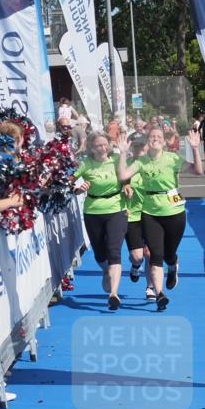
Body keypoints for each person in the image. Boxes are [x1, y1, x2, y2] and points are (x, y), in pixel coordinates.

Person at [116, 126, 203, 311]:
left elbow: (198, 171)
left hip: (174, 210)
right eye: (152, 136)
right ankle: (159, 294)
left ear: (164, 142)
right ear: (148, 141)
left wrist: (196, 149)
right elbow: (123, 175)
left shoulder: (173, 159)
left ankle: (172, 267)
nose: (155, 138)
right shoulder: (141, 162)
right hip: (150, 213)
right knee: (155, 254)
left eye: (159, 136)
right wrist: (123, 153)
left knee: (169, 254)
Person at [73, 132, 129, 310]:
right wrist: (78, 188)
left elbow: (126, 176)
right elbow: (69, 182)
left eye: (105, 144)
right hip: (93, 210)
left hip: (116, 209)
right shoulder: (86, 163)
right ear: (91, 147)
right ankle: (105, 270)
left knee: (115, 251)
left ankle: (113, 293)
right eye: (98, 145)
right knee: (99, 252)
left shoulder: (116, 159)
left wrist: (127, 185)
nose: (103, 148)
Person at [123, 135, 150, 291]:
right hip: (132, 216)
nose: (140, 152)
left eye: (143, 149)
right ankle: (135, 266)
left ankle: (151, 287)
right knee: (137, 256)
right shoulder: (124, 167)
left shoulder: (154, 167)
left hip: (152, 214)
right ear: (131, 150)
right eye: (136, 149)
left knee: (150, 253)